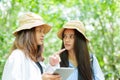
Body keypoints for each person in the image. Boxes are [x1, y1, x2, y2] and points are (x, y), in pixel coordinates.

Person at [2, 12, 64, 80]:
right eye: (39, 31)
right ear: (28, 33)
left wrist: (52, 65)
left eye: (43, 32)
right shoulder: (17, 56)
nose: (43, 35)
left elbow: (40, 76)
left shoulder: (36, 59)